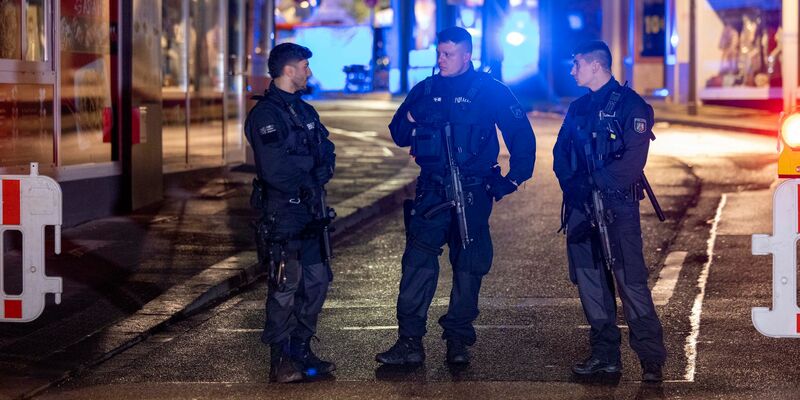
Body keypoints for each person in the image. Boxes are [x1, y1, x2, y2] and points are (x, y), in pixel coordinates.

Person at [376, 26, 536, 366]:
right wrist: (412, 114)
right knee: (417, 264)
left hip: (473, 190)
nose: (441, 60)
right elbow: (398, 133)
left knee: (469, 265)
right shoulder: (426, 89)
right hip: (432, 190)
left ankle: (457, 339)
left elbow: (521, 135)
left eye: (448, 54)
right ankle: (409, 341)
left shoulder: (491, 91)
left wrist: (514, 179)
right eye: (439, 53)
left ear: (467, 55)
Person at [552, 40, 666, 383]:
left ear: (596, 66)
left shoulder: (632, 107)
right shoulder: (578, 108)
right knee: (591, 284)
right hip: (582, 208)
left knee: (631, 282)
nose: (573, 71)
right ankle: (605, 356)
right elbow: (560, 152)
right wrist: (573, 185)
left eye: (577, 64)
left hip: (618, 206)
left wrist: (595, 181)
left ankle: (650, 361)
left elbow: (633, 161)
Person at [244, 42, 336, 383]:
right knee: (285, 287)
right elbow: (276, 171)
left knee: (318, 283)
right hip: (284, 213)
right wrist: (311, 173)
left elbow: (327, 151)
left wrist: (317, 171)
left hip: (313, 211)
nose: (309, 71)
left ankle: (301, 348)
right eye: (305, 65)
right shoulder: (266, 115)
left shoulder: (305, 111)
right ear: (288, 70)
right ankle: (280, 359)